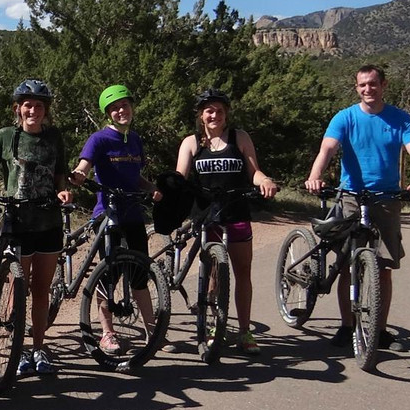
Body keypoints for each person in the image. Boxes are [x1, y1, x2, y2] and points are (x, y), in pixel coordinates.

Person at [305, 64, 410, 350]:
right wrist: (315, 176)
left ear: (383, 85)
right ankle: (347, 326)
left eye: (373, 84)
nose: (367, 89)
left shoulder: (400, 119)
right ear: (356, 87)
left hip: (387, 198)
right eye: (362, 85)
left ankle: (380, 331)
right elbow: (327, 149)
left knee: (384, 265)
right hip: (350, 195)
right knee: (348, 261)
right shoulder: (345, 117)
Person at [0, 79, 72, 375]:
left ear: (45, 111)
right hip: (17, 222)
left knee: (41, 290)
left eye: (39, 106)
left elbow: (60, 173)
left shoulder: (54, 137)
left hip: (49, 221)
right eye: (28, 105)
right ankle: (15, 347)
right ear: (18, 108)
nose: (33, 110)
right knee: (18, 287)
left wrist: (63, 190)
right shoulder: (6, 136)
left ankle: (38, 348)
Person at [176, 88, 278, 355]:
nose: (215, 115)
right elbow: (180, 176)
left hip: (236, 214)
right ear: (201, 115)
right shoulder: (191, 143)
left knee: (242, 272)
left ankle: (245, 331)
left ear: (226, 114)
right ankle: (213, 325)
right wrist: (168, 190)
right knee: (213, 274)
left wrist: (265, 181)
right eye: (209, 111)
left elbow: (254, 172)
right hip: (207, 217)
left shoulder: (239, 138)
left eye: (220, 111)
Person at [68, 84, 161, 353]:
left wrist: (151, 188)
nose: (121, 111)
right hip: (108, 214)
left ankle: (153, 332)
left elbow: (136, 177)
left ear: (131, 108)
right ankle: (107, 334)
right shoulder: (99, 139)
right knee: (108, 275)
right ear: (108, 113)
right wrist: (78, 176)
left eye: (125, 106)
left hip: (133, 214)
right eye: (115, 108)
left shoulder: (135, 140)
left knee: (140, 275)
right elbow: (83, 166)